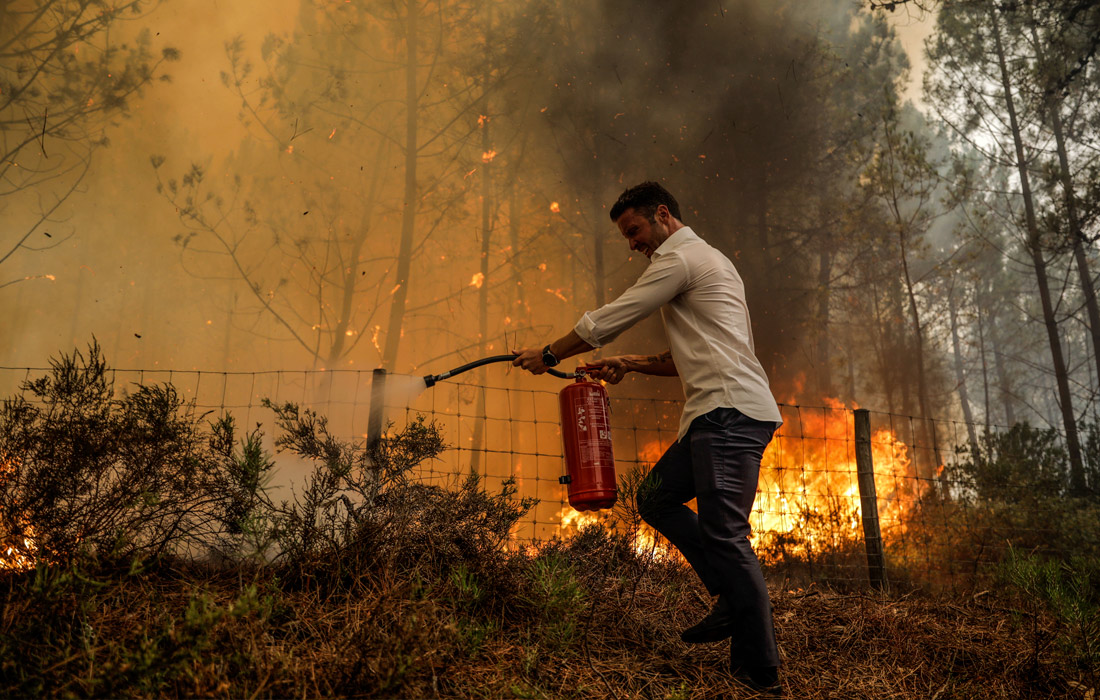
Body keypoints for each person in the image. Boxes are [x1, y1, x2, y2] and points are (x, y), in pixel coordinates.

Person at [513, 181, 784, 693]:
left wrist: (550, 353)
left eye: (633, 230)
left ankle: (759, 670)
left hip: (729, 414)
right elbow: (693, 353)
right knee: (655, 497)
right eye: (627, 236)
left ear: (662, 215)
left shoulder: (682, 259)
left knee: (727, 535)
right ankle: (730, 595)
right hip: (716, 413)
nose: (632, 243)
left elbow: (615, 315)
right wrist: (632, 364)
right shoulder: (711, 263)